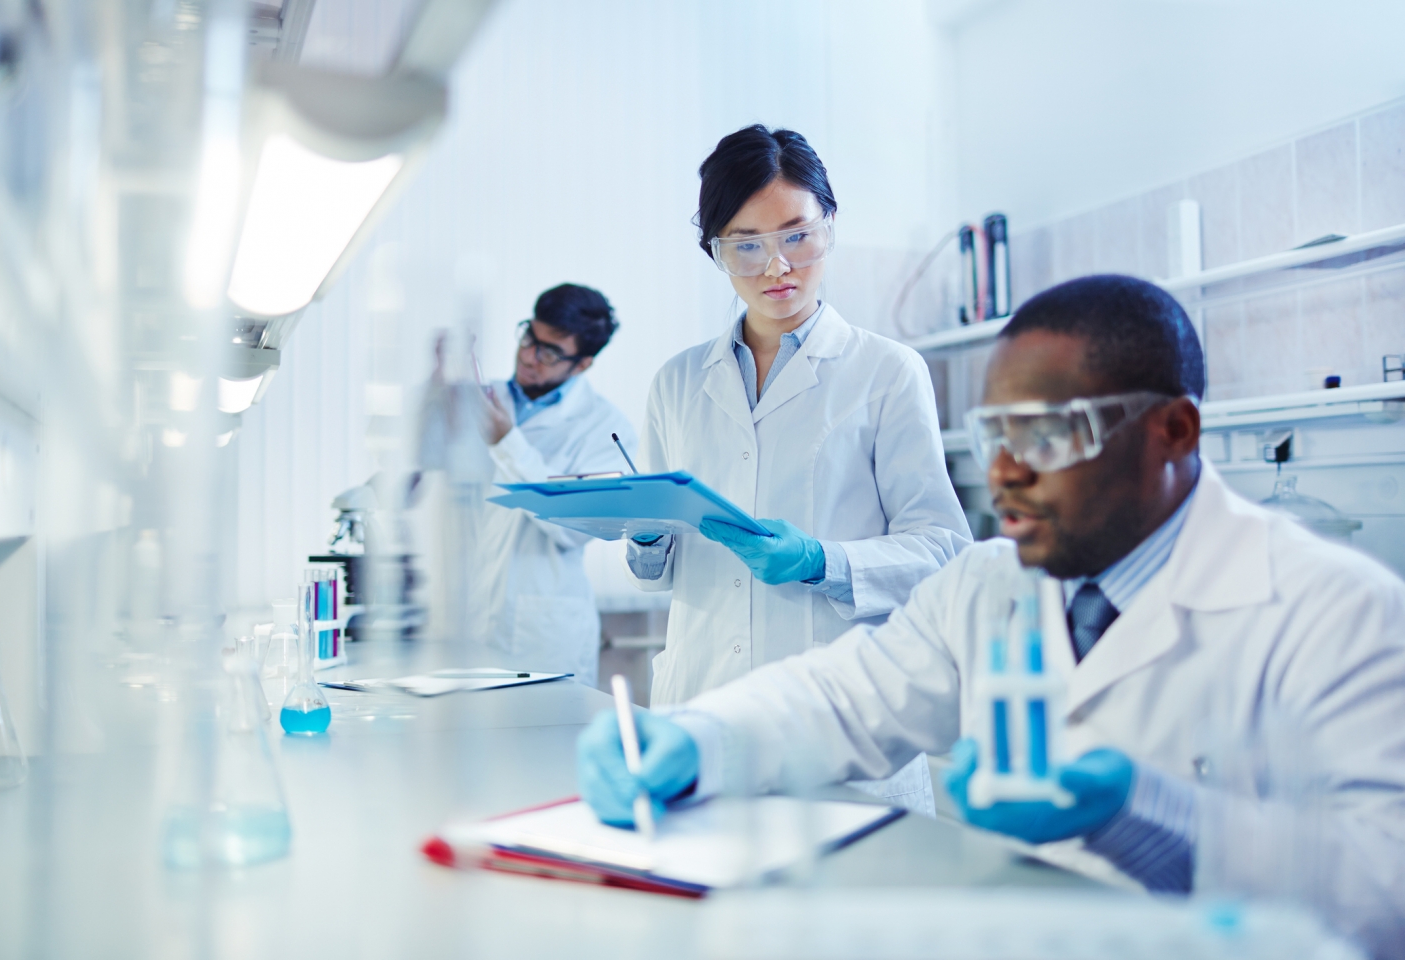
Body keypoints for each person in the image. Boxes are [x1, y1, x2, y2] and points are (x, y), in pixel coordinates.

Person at [579, 275, 1405, 958]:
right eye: (993, 434)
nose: (1004, 472)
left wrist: (1151, 818)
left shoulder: (1335, 611)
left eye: (1044, 434)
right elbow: (839, 697)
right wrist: (696, 738)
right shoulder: (989, 583)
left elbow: (1388, 890)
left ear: (1173, 431)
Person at [624, 123, 970, 721]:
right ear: (715, 252)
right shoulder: (677, 382)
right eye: (746, 244)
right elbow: (656, 577)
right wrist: (646, 538)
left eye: (797, 235)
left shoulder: (887, 371)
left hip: (837, 708)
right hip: (701, 701)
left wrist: (821, 561)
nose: (776, 265)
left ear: (829, 227)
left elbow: (942, 551)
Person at [422, 283, 636, 687]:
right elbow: (420, 463)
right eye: (528, 338)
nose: (528, 357)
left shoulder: (605, 429)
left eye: (549, 352)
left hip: (541, 638)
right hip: (461, 624)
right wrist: (438, 387)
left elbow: (573, 528)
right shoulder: (484, 399)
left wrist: (506, 441)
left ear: (583, 364)